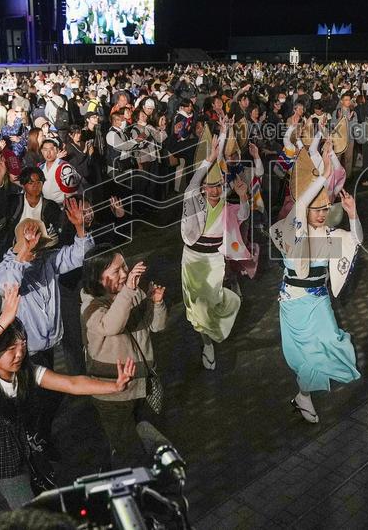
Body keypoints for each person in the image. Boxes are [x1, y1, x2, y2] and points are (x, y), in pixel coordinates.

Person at [0, 283, 135, 529]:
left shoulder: (29, 373)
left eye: (22, 345)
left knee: (33, 519)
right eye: (10, 348)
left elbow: (72, 383)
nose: (19, 353)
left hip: (6, 456)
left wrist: (113, 386)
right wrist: (4, 319)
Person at [270, 149, 362, 423]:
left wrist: (353, 215)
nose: (322, 214)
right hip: (294, 301)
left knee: (331, 345)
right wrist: (322, 179)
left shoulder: (331, 236)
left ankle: (303, 395)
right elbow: (299, 207)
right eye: (316, 209)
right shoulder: (293, 231)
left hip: (320, 301)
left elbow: (355, 241)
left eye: (325, 210)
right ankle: (304, 396)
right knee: (310, 356)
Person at [0, 198, 94, 445]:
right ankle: (31, 439)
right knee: (38, 398)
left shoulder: (47, 261)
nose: (37, 252)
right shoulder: (6, 267)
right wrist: (25, 253)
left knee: (46, 398)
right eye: (33, 247)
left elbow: (79, 255)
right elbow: (10, 286)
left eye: (39, 246)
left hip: (47, 346)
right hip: (24, 351)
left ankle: (40, 438)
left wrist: (81, 229)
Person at [82, 251, 171, 467]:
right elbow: (111, 325)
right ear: (98, 277)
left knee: (142, 439)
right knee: (127, 451)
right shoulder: (90, 305)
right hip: (112, 393)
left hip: (141, 385)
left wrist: (156, 304)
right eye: (116, 270)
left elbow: (156, 326)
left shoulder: (132, 292)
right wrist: (129, 291)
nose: (124, 273)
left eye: (124, 267)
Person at [180, 124, 251, 370]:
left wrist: (242, 197)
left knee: (209, 308)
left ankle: (210, 336)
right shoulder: (195, 203)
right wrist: (209, 159)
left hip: (213, 263)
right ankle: (207, 344)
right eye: (210, 186)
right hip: (191, 261)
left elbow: (242, 215)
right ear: (203, 188)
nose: (214, 190)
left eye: (218, 186)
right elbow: (191, 187)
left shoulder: (226, 207)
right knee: (196, 310)